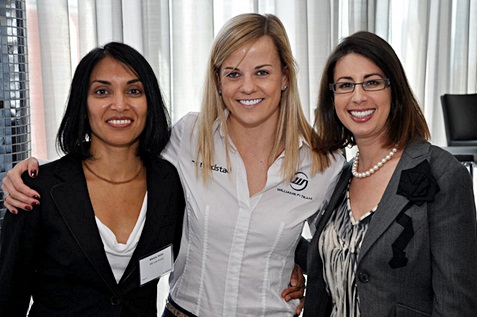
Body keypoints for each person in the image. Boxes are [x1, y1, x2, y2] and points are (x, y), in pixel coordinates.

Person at [1, 13, 345, 316]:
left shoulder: (323, 164)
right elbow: (117, 151)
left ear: (284, 77)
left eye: (262, 72)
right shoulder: (189, 137)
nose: (248, 86)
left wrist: (295, 258)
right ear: (218, 81)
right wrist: (36, 171)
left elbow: (331, 249)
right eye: (233, 73)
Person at [0, 42, 185, 316]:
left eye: (134, 91)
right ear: (82, 103)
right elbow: (7, 297)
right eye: (102, 91)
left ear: (150, 102)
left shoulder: (168, 181)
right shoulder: (38, 190)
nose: (120, 104)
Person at [301, 31, 477, 316]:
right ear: (332, 97)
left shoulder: (442, 173)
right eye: (345, 85)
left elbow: (457, 302)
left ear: (394, 90)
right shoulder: (337, 177)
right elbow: (336, 255)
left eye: (372, 82)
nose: (358, 96)